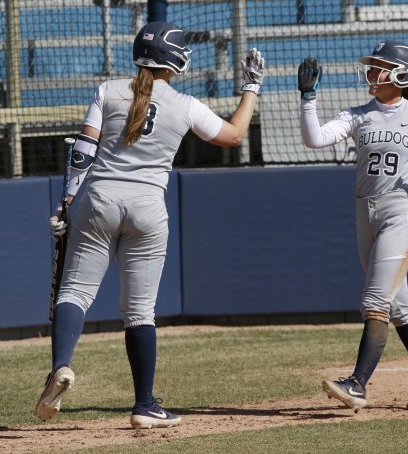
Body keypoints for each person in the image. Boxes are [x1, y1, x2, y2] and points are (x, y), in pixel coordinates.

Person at [35, 21, 265, 429]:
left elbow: (84, 150)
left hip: (100, 200)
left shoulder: (108, 90)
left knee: (74, 292)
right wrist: (251, 87)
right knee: (140, 312)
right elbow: (233, 135)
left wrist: (66, 201)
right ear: (174, 59)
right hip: (148, 208)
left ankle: (61, 366)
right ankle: (144, 405)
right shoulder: (184, 103)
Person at [297, 40, 408, 412]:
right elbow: (314, 140)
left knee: (374, 302)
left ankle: (357, 384)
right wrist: (308, 98)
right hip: (364, 215)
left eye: (379, 67)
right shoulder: (358, 114)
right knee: (399, 308)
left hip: (399, 216)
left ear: (401, 75)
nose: (371, 73)